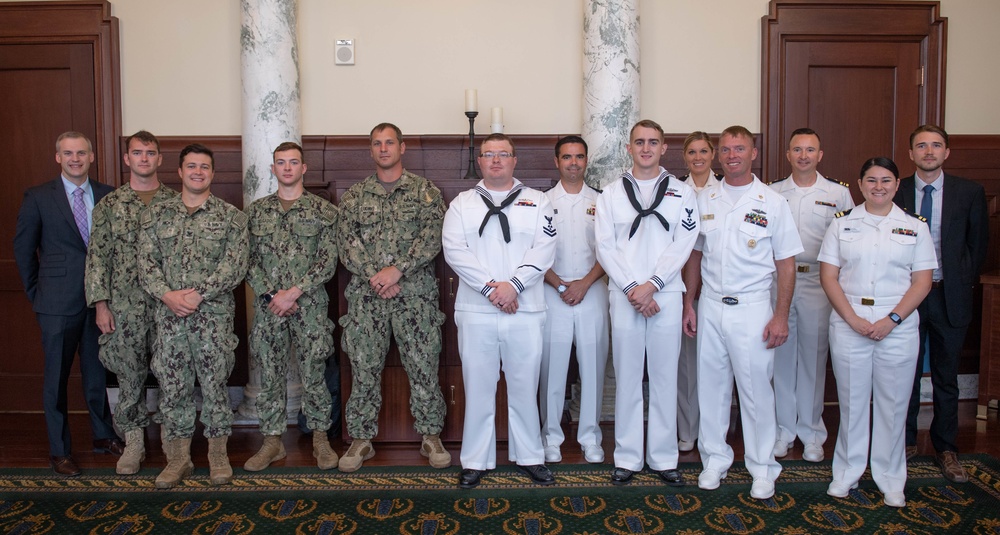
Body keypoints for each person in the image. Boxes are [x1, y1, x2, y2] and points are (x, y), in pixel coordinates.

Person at [682, 125, 802, 500]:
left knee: (755, 393)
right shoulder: (705, 199)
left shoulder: (772, 201)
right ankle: (715, 458)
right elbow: (695, 254)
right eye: (726, 150)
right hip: (712, 305)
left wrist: (780, 316)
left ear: (753, 153)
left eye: (740, 148)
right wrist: (689, 302)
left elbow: (786, 264)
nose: (732, 155)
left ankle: (763, 467)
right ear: (719, 156)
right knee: (712, 389)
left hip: (753, 308)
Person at [442, 133, 557, 489]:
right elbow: (454, 250)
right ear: (479, 161)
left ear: (514, 160)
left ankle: (530, 456)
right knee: (478, 386)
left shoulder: (538, 201)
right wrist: (494, 289)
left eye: (502, 154)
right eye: (488, 154)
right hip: (477, 310)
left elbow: (544, 248)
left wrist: (513, 287)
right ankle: (476, 459)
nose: (495, 160)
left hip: (525, 309)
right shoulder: (462, 204)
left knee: (524, 386)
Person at [819, 156, 935, 508]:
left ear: (897, 185)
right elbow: (828, 276)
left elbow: (923, 282)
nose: (878, 187)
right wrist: (853, 319)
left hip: (896, 325)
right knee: (852, 405)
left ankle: (890, 479)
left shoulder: (915, 226)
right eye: (871, 180)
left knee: (893, 407)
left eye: (886, 180)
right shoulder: (842, 224)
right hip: (850, 320)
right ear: (860, 184)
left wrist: (892, 320)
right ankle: (847, 474)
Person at [337, 123, 451, 472]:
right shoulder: (355, 197)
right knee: (364, 368)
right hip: (367, 300)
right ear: (370, 150)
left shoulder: (425, 192)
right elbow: (346, 242)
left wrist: (397, 269)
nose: (383, 148)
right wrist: (378, 276)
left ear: (402, 148)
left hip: (415, 298)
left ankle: (431, 436)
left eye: (389, 143)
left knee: (423, 368)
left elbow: (434, 236)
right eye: (377, 143)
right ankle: (360, 439)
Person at [138, 144, 249, 488]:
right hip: (170, 318)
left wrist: (199, 294)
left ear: (212, 174)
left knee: (215, 386)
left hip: (212, 317)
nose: (198, 172)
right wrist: (168, 295)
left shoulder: (232, 218)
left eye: (204, 167)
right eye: (191, 166)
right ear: (180, 171)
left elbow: (236, 265)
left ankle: (217, 454)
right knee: (173, 388)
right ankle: (178, 459)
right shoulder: (156, 216)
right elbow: (146, 265)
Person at [14, 131, 123, 477]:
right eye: (68, 153)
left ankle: (102, 435)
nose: (75, 158)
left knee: (96, 373)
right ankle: (59, 450)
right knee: (56, 378)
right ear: (58, 157)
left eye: (81, 153)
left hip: (99, 302)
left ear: (91, 157)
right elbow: (23, 251)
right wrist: (38, 294)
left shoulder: (108, 195)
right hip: (56, 303)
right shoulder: (38, 197)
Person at [596, 120, 699, 486]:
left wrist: (653, 285)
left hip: (666, 295)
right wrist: (632, 289)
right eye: (639, 142)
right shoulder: (610, 194)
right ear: (629, 148)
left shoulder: (682, 193)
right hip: (625, 296)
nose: (645, 148)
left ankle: (663, 457)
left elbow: (684, 242)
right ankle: (626, 457)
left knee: (663, 376)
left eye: (653, 142)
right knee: (625, 376)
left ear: (663, 148)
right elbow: (605, 246)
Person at [898, 125, 989, 482]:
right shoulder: (897, 189)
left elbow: (977, 246)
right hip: (906, 298)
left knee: (945, 376)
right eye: (921, 145)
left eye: (936, 145)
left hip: (950, 296)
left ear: (947, 152)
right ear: (911, 153)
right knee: (903, 374)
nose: (929, 151)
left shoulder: (969, 192)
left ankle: (946, 448)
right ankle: (904, 442)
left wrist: (958, 279)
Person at [84, 130, 178, 475]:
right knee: (129, 376)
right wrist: (101, 305)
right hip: (124, 307)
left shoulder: (175, 201)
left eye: (150, 153)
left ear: (159, 159)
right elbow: (97, 258)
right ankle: (134, 441)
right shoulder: (110, 205)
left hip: (168, 308)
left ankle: (172, 438)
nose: (144, 158)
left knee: (172, 373)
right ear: (127, 159)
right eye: (137, 153)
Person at [243, 142, 340, 472]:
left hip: (309, 307)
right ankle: (272, 442)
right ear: (273, 169)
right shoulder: (256, 212)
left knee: (314, 376)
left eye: (293, 162)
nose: (287, 168)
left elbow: (329, 259)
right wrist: (273, 296)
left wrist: (294, 292)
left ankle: (320, 440)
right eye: (280, 163)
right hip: (271, 309)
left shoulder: (323, 212)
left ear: (304, 168)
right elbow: (248, 261)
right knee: (270, 376)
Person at [769, 128, 855, 462]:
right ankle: (783, 430)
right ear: (787, 155)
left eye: (810, 150)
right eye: (797, 150)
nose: (803, 156)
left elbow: (848, 242)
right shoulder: (773, 193)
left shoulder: (838, 194)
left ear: (820, 155)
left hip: (818, 284)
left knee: (813, 361)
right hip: (779, 283)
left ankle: (812, 433)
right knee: (781, 357)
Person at [539, 135, 609, 465]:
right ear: (557, 162)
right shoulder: (540, 202)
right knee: (552, 367)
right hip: (552, 290)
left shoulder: (602, 201)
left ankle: (590, 436)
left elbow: (609, 251)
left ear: (586, 161)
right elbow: (534, 253)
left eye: (579, 157)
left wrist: (584, 284)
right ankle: (551, 436)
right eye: (566, 157)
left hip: (592, 289)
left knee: (593, 366)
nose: (573, 163)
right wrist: (559, 284)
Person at [675, 131, 722, 453]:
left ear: (713, 154)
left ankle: (715, 431)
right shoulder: (674, 192)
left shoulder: (727, 190)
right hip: (682, 288)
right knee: (687, 365)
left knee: (719, 365)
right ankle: (688, 430)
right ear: (684, 156)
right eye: (692, 152)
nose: (698, 157)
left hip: (719, 288)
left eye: (704, 151)